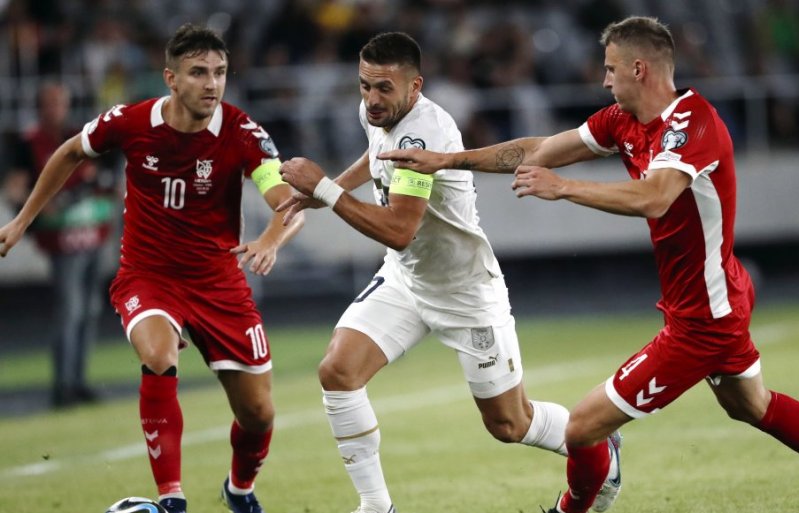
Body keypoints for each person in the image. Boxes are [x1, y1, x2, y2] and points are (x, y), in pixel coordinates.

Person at [378, 16, 799, 513]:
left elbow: (655, 197)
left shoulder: (693, 124)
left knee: (583, 428)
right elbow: (540, 149)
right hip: (714, 299)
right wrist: (448, 161)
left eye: (610, 69)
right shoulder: (622, 122)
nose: (604, 80)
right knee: (751, 405)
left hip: (702, 320)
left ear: (638, 69)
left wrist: (564, 188)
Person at [276, 32, 622, 513]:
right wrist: (332, 187)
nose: (371, 99)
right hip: (406, 278)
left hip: (464, 289)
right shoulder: (377, 112)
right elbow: (376, 155)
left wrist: (326, 192)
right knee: (337, 371)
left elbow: (399, 229)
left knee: (509, 425)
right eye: (365, 86)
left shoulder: (425, 133)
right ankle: (376, 506)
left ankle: (597, 442)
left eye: (384, 89)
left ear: (414, 86)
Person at [0, 23, 304, 513]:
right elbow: (71, 151)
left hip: (219, 283)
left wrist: (270, 239)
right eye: (198, 72)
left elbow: (289, 203)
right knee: (159, 354)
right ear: (171, 78)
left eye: (220, 72)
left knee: (259, 413)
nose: (212, 83)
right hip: (149, 276)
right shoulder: (131, 121)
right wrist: (21, 221)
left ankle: (239, 488)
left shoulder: (243, 133)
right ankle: (171, 499)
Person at [3, 82, 117, 408]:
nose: (56, 109)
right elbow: (15, 188)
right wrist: (33, 213)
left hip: (92, 232)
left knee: (90, 310)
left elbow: (106, 177)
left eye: (60, 102)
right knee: (70, 309)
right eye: (50, 103)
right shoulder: (29, 143)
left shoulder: (80, 135)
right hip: (62, 238)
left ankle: (78, 381)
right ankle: (63, 385)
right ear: (40, 107)